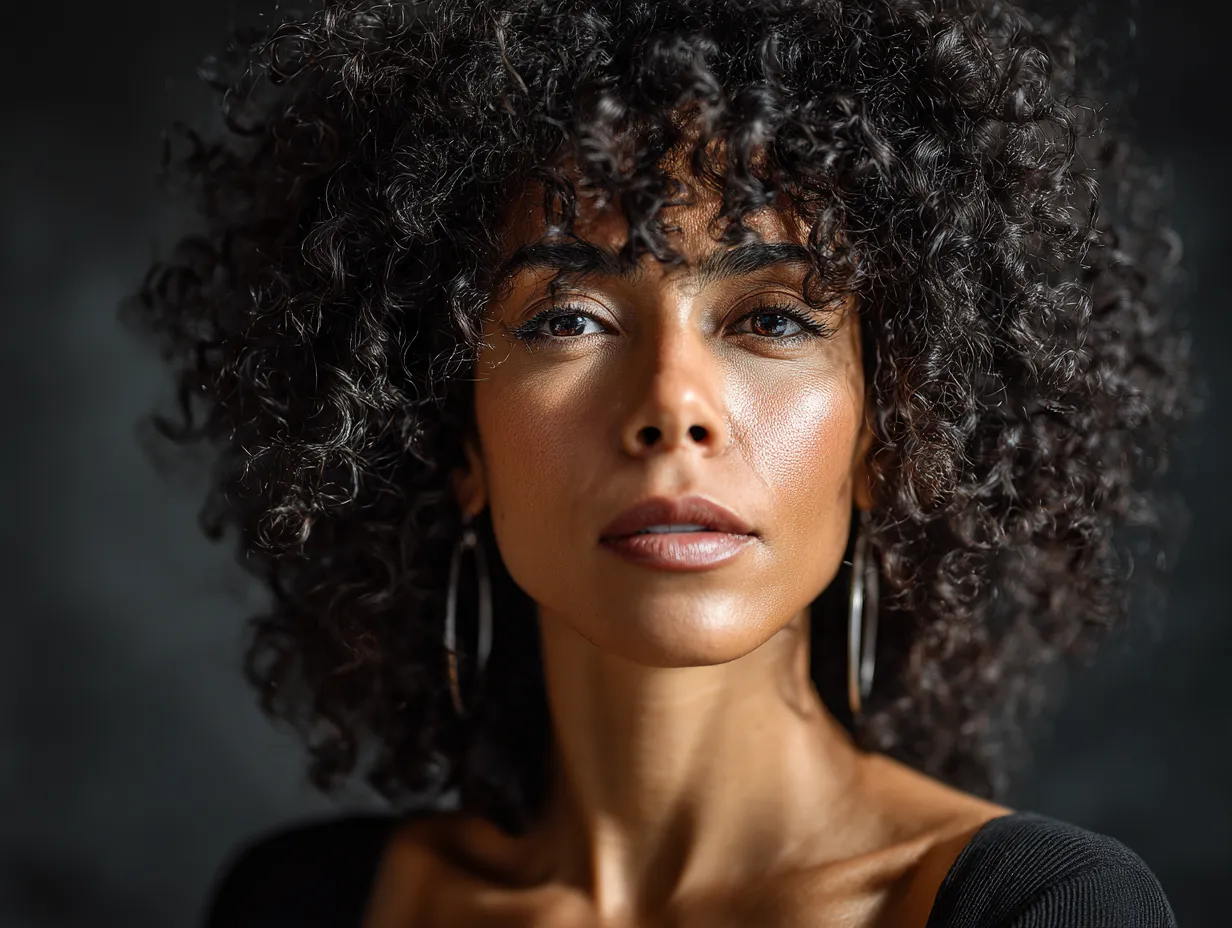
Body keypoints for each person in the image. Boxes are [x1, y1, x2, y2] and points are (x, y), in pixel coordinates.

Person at [131, 0, 1193, 924]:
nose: (670, 405)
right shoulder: (304, 901)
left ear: (885, 434)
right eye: (568, 319)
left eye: (771, 317)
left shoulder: (1035, 907)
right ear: (456, 438)